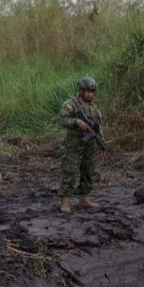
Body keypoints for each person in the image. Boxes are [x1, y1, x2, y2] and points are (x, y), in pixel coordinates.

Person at [57, 76, 106, 213]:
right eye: (88, 91)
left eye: (92, 91)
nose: (90, 94)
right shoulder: (71, 104)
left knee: (88, 170)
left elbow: (98, 129)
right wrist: (77, 122)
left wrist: (102, 145)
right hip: (74, 143)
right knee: (70, 171)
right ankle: (65, 201)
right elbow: (62, 120)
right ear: (81, 91)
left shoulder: (94, 109)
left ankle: (84, 199)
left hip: (90, 144)